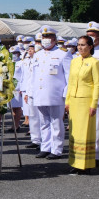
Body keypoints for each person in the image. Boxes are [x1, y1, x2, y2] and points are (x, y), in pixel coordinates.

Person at [26, 25, 72, 160]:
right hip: (39, 94)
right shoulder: (38, 55)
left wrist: (66, 94)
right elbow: (32, 75)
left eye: (48, 36)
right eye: (44, 37)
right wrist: (30, 92)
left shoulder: (63, 54)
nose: (46, 39)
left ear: (54, 39)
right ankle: (45, 147)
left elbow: (69, 76)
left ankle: (56, 149)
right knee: (43, 122)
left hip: (56, 94)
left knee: (56, 122)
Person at [65, 36, 99, 175]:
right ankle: (75, 163)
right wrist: (67, 101)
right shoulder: (74, 61)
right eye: (78, 45)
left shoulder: (94, 62)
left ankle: (86, 165)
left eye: (83, 45)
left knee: (85, 134)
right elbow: (71, 82)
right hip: (74, 101)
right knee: (74, 133)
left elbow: (97, 84)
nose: (80, 47)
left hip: (86, 101)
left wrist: (94, 104)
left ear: (90, 47)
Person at [22, 41, 41, 149]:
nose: (30, 51)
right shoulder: (28, 61)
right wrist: (27, 93)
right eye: (29, 49)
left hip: (41, 92)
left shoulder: (41, 60)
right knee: (33, 117)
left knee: (43, 119)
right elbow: (29, 79)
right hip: (31, 93)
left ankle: (44, 141)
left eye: (32, 49)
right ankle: (35, 140)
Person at [86, 21, 99, 167]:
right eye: (88, 35)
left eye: (93, 35)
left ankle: (96, 155)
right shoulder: (82, 52)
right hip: (84, 95)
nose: (90, 38)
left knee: (97, 127)